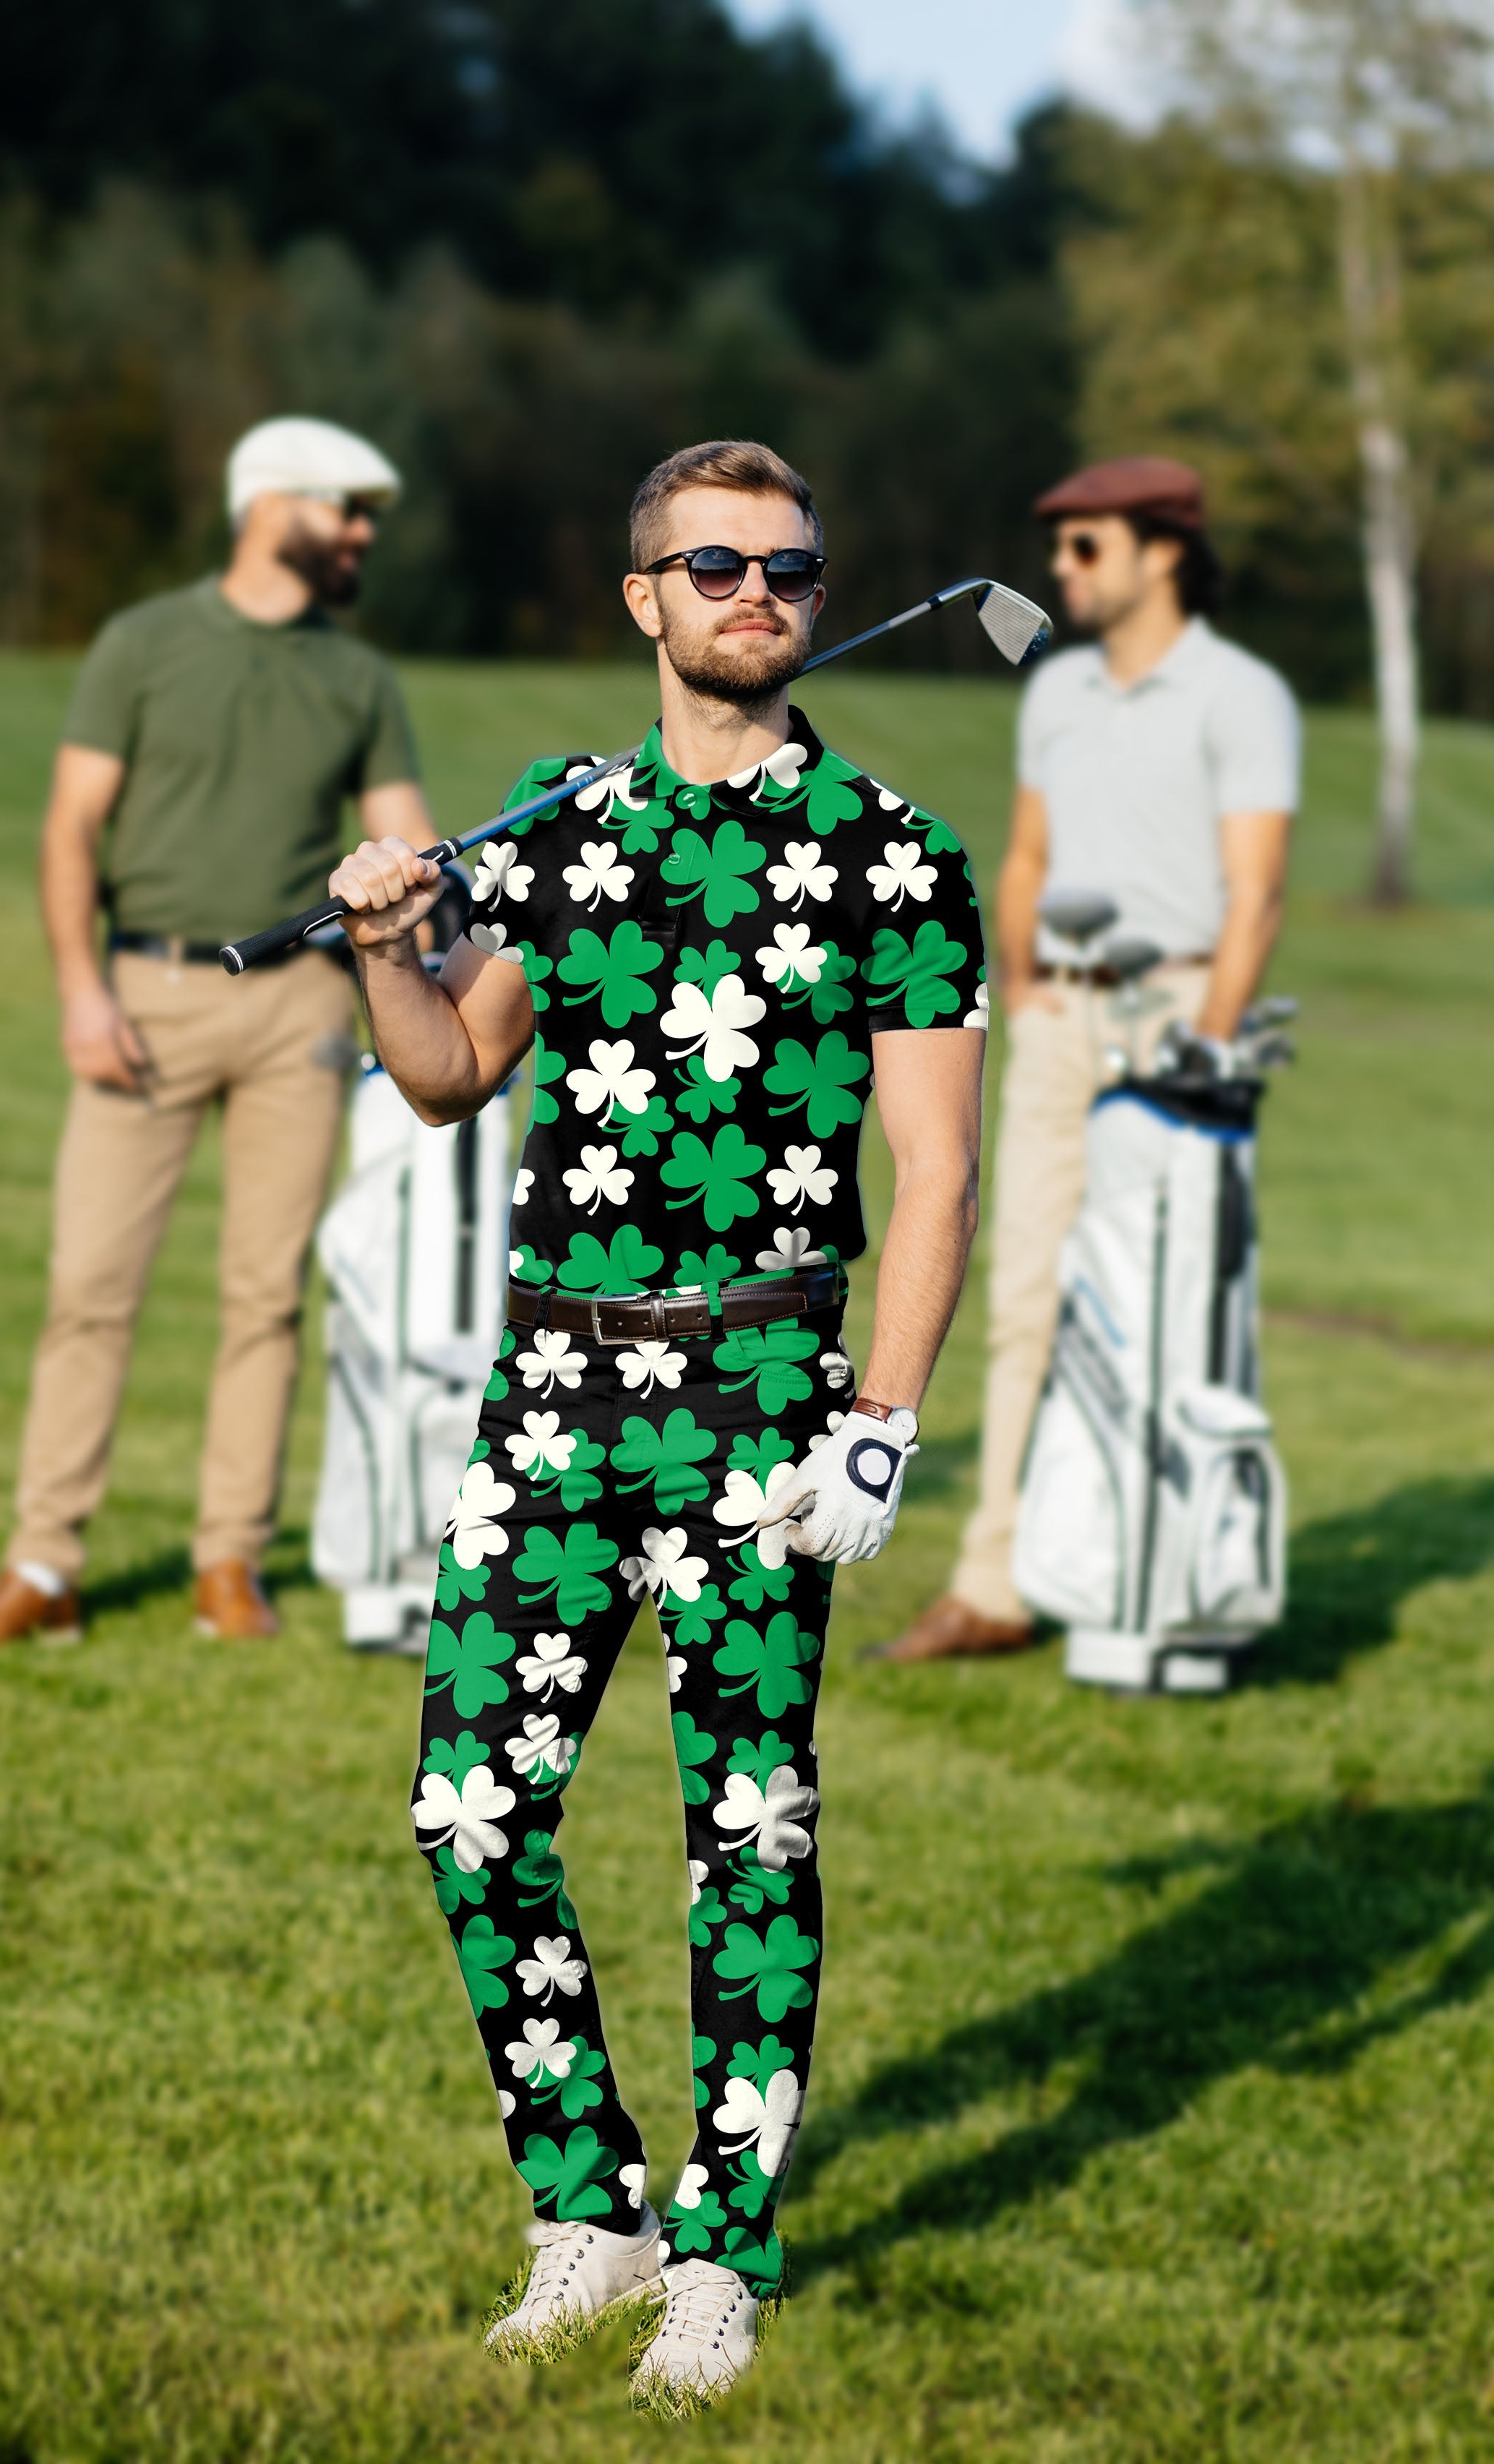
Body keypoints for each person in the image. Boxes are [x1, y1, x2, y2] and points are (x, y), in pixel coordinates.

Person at [327, 439, 986, 2409]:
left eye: (787, 564)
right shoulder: (559, 827)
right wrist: (384, 939)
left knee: (744, 1829)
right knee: (470, 1805)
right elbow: (449, 1074)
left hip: (767, 1381)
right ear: (648, 602)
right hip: (553, 1381)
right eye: (713, 565)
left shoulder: (894, 853)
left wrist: (884, 1413)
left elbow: (936, 1170)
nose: (755, 591)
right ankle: (587, 2208)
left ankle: (720, 2254)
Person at [0, 416, 435, 1652]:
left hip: (302, 1012)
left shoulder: (359, 675)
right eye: (347, 508)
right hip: (143, 994)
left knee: (265, 1295)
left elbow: (413, 840)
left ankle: (229, 1566)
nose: (364, 532)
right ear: (271, 506)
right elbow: (70, 828)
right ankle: (44, 1564)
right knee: (89, 1289)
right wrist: (79, 991)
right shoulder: (142, 643)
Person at [880, 455, 1300, 1664]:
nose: (1061, 569)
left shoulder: (1240, 694)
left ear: (1164, 550)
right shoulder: (1056, 692)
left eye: (1086, 546)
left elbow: (1258, 894)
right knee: (1022, 1303)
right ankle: (998, 1583)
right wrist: (1025, 987)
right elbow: (1025, 860)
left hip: (1177, 1016)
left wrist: (1207, 1051)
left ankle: (1156, 1579)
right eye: (1057, 547)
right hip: (1060, 1018)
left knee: (1161, 1308)